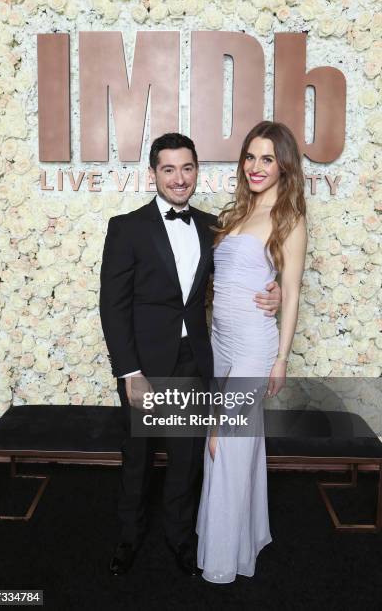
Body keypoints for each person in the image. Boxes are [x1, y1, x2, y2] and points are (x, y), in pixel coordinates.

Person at [99, 133, 281, 577]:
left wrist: (273, 290)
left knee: (186, 461)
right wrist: (129, 371)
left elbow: (241, 274)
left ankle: (181, 540)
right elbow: (113, 305)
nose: (179, 179)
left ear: (196, 171)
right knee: (138, 460)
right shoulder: (127, 227)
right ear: (153, 174)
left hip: (195, 361)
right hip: (145, 364)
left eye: (187, 169)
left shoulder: (211, 226)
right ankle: (128, 539)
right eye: (168, 169)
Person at [196, 121, 307, 583]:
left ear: (284, 165)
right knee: (224, 444)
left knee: (227, 444)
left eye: (267, 158)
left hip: (254, 345)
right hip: (219, 341)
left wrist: (280, 357)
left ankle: (222, 564)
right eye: (250, 157)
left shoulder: (289, 218)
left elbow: (294, 290)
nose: (257, 167)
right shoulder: (235, 213)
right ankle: (240, 538)